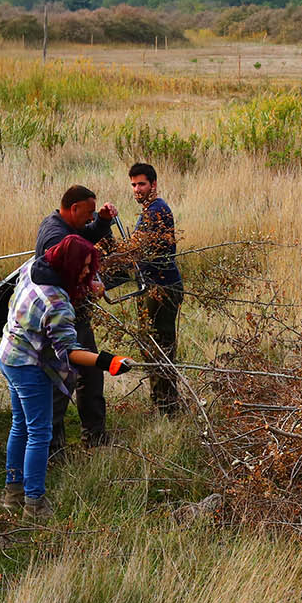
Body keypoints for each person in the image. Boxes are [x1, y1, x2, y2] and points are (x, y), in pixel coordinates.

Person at [0, 235, 133, 520]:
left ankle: (13, 493)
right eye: (83, 267)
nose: (86, 272)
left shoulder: (34, 267)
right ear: (69, 265)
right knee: (39, 432)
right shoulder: (57, 302)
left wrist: (86, 285)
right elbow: (69, 352)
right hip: (28, 365)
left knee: (20, 425)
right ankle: (34, 504)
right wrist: (107, 362)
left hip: (8, 354)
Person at [34, 185, 119, 450]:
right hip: (63, 319)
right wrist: (88, 285)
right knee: (63, 379)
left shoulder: (66, 226)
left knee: (89, 375)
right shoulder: (55, 235)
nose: (91, 217)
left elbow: (85, 238)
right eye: (90, 212)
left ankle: (94, 436)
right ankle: (52, 448)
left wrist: (102, 222)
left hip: (74, 314)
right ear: (74, 208)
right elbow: (55, 275)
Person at [127, 162, 184, 415]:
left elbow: (135, 249)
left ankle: (167, 408)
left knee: (159, 348)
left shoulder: (156, 210)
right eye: (133, 185)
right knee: (152, 346)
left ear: (154, 185)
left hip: (161, 287)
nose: (137, 189)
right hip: (152, 286)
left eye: (141, 184)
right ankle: (163, 403)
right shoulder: (149, 210)